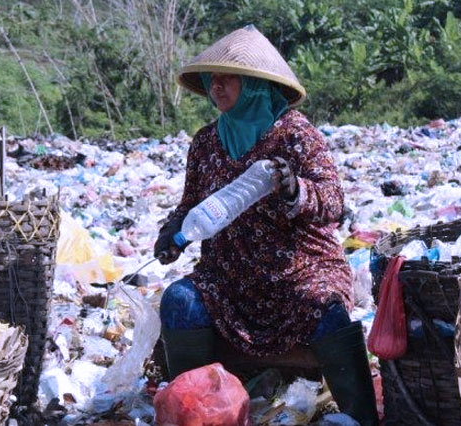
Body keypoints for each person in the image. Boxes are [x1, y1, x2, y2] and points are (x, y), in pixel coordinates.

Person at [154, 25, 377, 425]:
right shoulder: (205, 143)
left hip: (298, 269)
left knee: (325, 306)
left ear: (255, 84)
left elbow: (333, 202)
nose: (216, 87)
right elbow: (191, 205)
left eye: (226, 78)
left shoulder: (295, 134)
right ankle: (197, 412)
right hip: (228, 276)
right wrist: (174, 235)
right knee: (179, 302)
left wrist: (295, 190)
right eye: (211, 79)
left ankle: (361, 416)